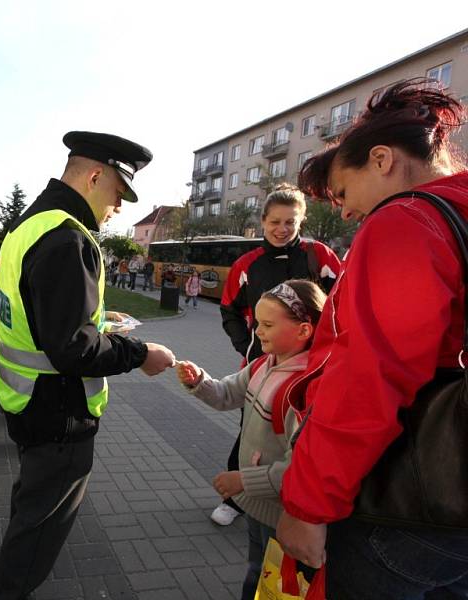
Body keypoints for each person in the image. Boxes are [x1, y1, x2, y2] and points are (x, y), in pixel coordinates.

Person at [275, 79, 468, 598]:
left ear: (381, 159)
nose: (342, 211)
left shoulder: (405, 220)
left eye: (341, 192)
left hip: (412, 503)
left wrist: (308, 504)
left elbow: (368, 376)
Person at [0, 131, 175, 599]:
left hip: (26, 398)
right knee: (45, 519)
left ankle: (12, 570)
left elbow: (42, 313)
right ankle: (10, 589)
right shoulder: (68, 237)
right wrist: (140, 354)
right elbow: (74, 349)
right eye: (117, 194)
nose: (117, 209)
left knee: (32, 500)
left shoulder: (30, 225)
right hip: (58, 409)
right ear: (94, 176)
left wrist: (93, 317)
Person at [177, 280, 326, 600]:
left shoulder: (303, 390)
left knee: (274, 582)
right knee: (257, 569)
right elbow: (226, 393)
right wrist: (200, 381)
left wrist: (244, 479)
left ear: (303, 331)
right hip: (257, 507)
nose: (258, 331)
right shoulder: (263, 363)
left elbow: (299, 469)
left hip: (282, 517)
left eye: (268, 324)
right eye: (256, 322)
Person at [213, 184, 342, 527]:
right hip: (263, 367)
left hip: (313, 370)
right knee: (252, 432)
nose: (282, 229)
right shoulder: (247, 264)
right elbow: (228, 309)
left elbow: (343, 305)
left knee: (303, 441)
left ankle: (296, 505)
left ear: (301, 220)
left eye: (290, 222)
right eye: (275, 222)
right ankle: (236, 498)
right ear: (263, 221)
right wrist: (248, 347)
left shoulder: (321, 257)